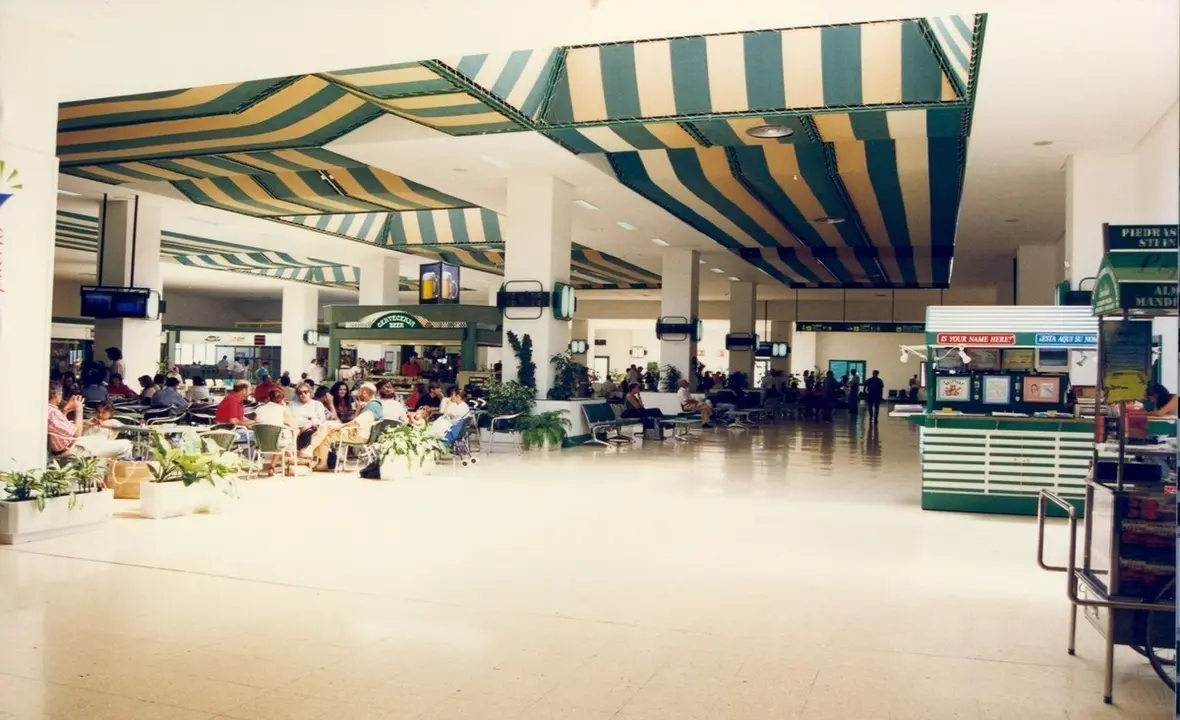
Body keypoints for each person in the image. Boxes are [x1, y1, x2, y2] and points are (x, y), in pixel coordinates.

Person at [306, 382, 384, 470]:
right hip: (359, 433)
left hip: (358, 435)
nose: (358, 394)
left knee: (327, 435)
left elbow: (357, 423)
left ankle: (318, 460)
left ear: (365, 392)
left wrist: (342, 426)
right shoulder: (374, 405)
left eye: (359, 391)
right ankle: (316, 457)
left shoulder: (373, 406)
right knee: (327, 426)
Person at [47, 382, 132, 459]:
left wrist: (66, 409)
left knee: (101, 439)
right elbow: (77, 435)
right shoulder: (53, 412)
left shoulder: (49, 410)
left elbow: (63, 426)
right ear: (58, 394)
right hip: (73, 448)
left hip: (71, 446)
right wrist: (79, 410)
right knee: (128, 445)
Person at [289, 382, 327, 450]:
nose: (303, 394)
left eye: (305, 392)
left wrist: (309, 424)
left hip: (311, 429)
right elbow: (288, 418)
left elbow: (321, 421)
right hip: (295, 430)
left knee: (310, 435)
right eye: (300, 393)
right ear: (297, 395)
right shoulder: (292, 405)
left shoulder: (317, 404)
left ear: (310, 392)